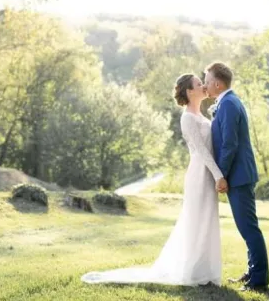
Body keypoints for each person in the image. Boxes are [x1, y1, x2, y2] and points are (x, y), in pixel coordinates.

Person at [81, 73, 226, 286]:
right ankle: (194, 272)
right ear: (189, 91)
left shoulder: (204, 116)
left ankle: (205, 271)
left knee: (207, 221)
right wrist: (219, 175)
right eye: (198, 83)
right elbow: (202, 152)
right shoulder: (187, 118)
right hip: (199, 174)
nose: (203, 85)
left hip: (208, 173)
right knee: (197, 221)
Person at [203, 62, 269, 292]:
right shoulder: (227, 103)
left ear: (218, 84)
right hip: (238, 175)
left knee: (248, 228)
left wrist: (220, 175)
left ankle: (259, 279)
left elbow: (230, 144)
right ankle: (253, 270)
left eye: (207, 80)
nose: (205, 84)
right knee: (246, 227)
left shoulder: (229, 104)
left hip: (239, 176)